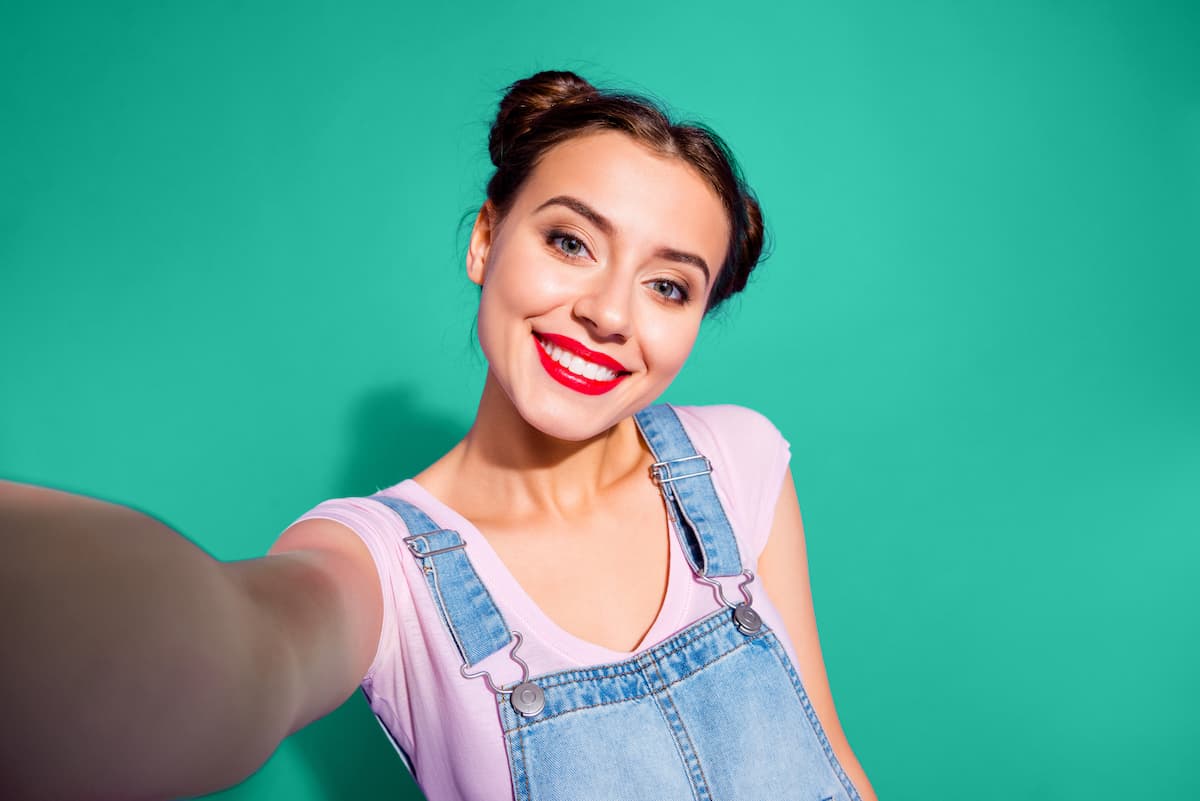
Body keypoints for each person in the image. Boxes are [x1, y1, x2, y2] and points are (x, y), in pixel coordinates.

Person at [0, 70, 876, 801]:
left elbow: (832, 759)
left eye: (669, 286)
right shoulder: (381, 564)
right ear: (487, 239)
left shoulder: (736, 460)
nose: (610, 313)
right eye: (571, 241)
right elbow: (249, 652)